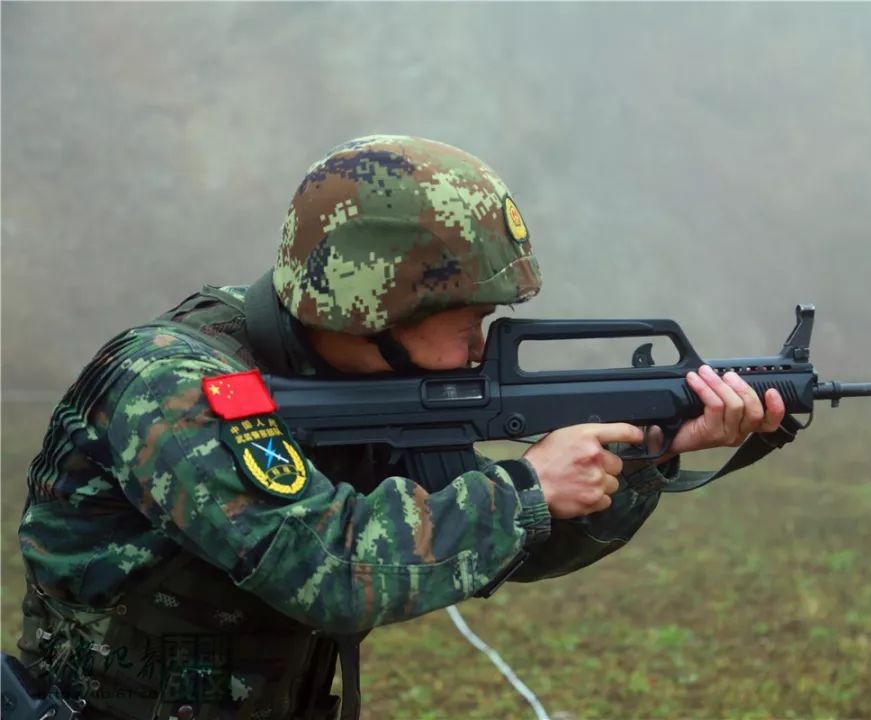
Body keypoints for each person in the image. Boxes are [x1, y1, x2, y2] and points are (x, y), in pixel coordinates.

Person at [16, 135, 785, 719]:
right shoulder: (174, 382)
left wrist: (647, 456)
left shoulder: (362, 371)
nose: (481, 345)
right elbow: (323, 566)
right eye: (468, 318)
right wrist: (524, 487)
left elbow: (491, 549)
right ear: (370, 306)